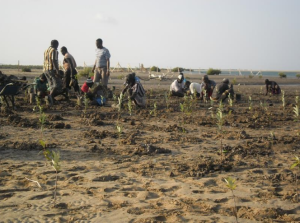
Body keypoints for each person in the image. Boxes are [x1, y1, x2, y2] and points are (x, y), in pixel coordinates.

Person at [43, 40, 63, 104]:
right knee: (57, 84)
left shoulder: (46, 50)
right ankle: (50, 96)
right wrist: (57, 70)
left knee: (51, 84)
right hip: (52, 69)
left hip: (45, 70)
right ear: (56, 44)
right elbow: (54, 60)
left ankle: (51, 101)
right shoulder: (54, 51)